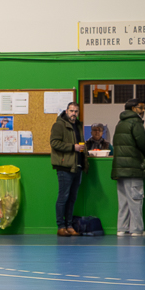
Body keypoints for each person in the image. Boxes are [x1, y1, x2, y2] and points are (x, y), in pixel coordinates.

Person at [111, 99, 145, 237]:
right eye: (141, 108)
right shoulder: (136, 122)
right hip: (132, 168)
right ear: (133, 108)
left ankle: (122, 228)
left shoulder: (120, 123)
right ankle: (136, 229)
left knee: (124, 201)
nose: (143, 111)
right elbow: (142, 142)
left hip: (119, 169)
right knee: (136, 199)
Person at [50, 102, 87, 237]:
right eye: (71, 111)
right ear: (66, 111)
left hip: (77, 166)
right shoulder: (59, 125)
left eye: (76, 111)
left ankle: (69, 225)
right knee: (63, 197)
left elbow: (81, 144)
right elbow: (54, 143)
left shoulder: (78, 125)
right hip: (64, 166)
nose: (73, 114)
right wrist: (73, 147)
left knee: (72, 198)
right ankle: (61, 226)